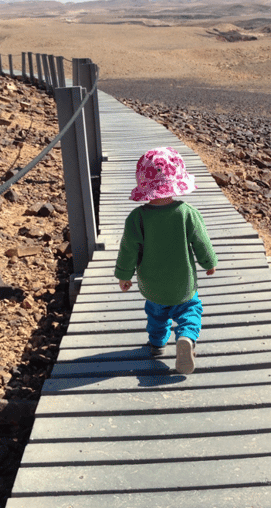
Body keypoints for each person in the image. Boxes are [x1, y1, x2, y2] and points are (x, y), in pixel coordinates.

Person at [115, 147, 218, 374]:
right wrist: (209, 262)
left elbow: (128, 249)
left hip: (152, 285)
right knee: (190, 311)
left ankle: (157, 345)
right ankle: (187, 338)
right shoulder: (186, 213)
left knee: (156, 316)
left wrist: (124, 275)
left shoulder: (137, 217)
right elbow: (201, 241)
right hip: (183, 284)